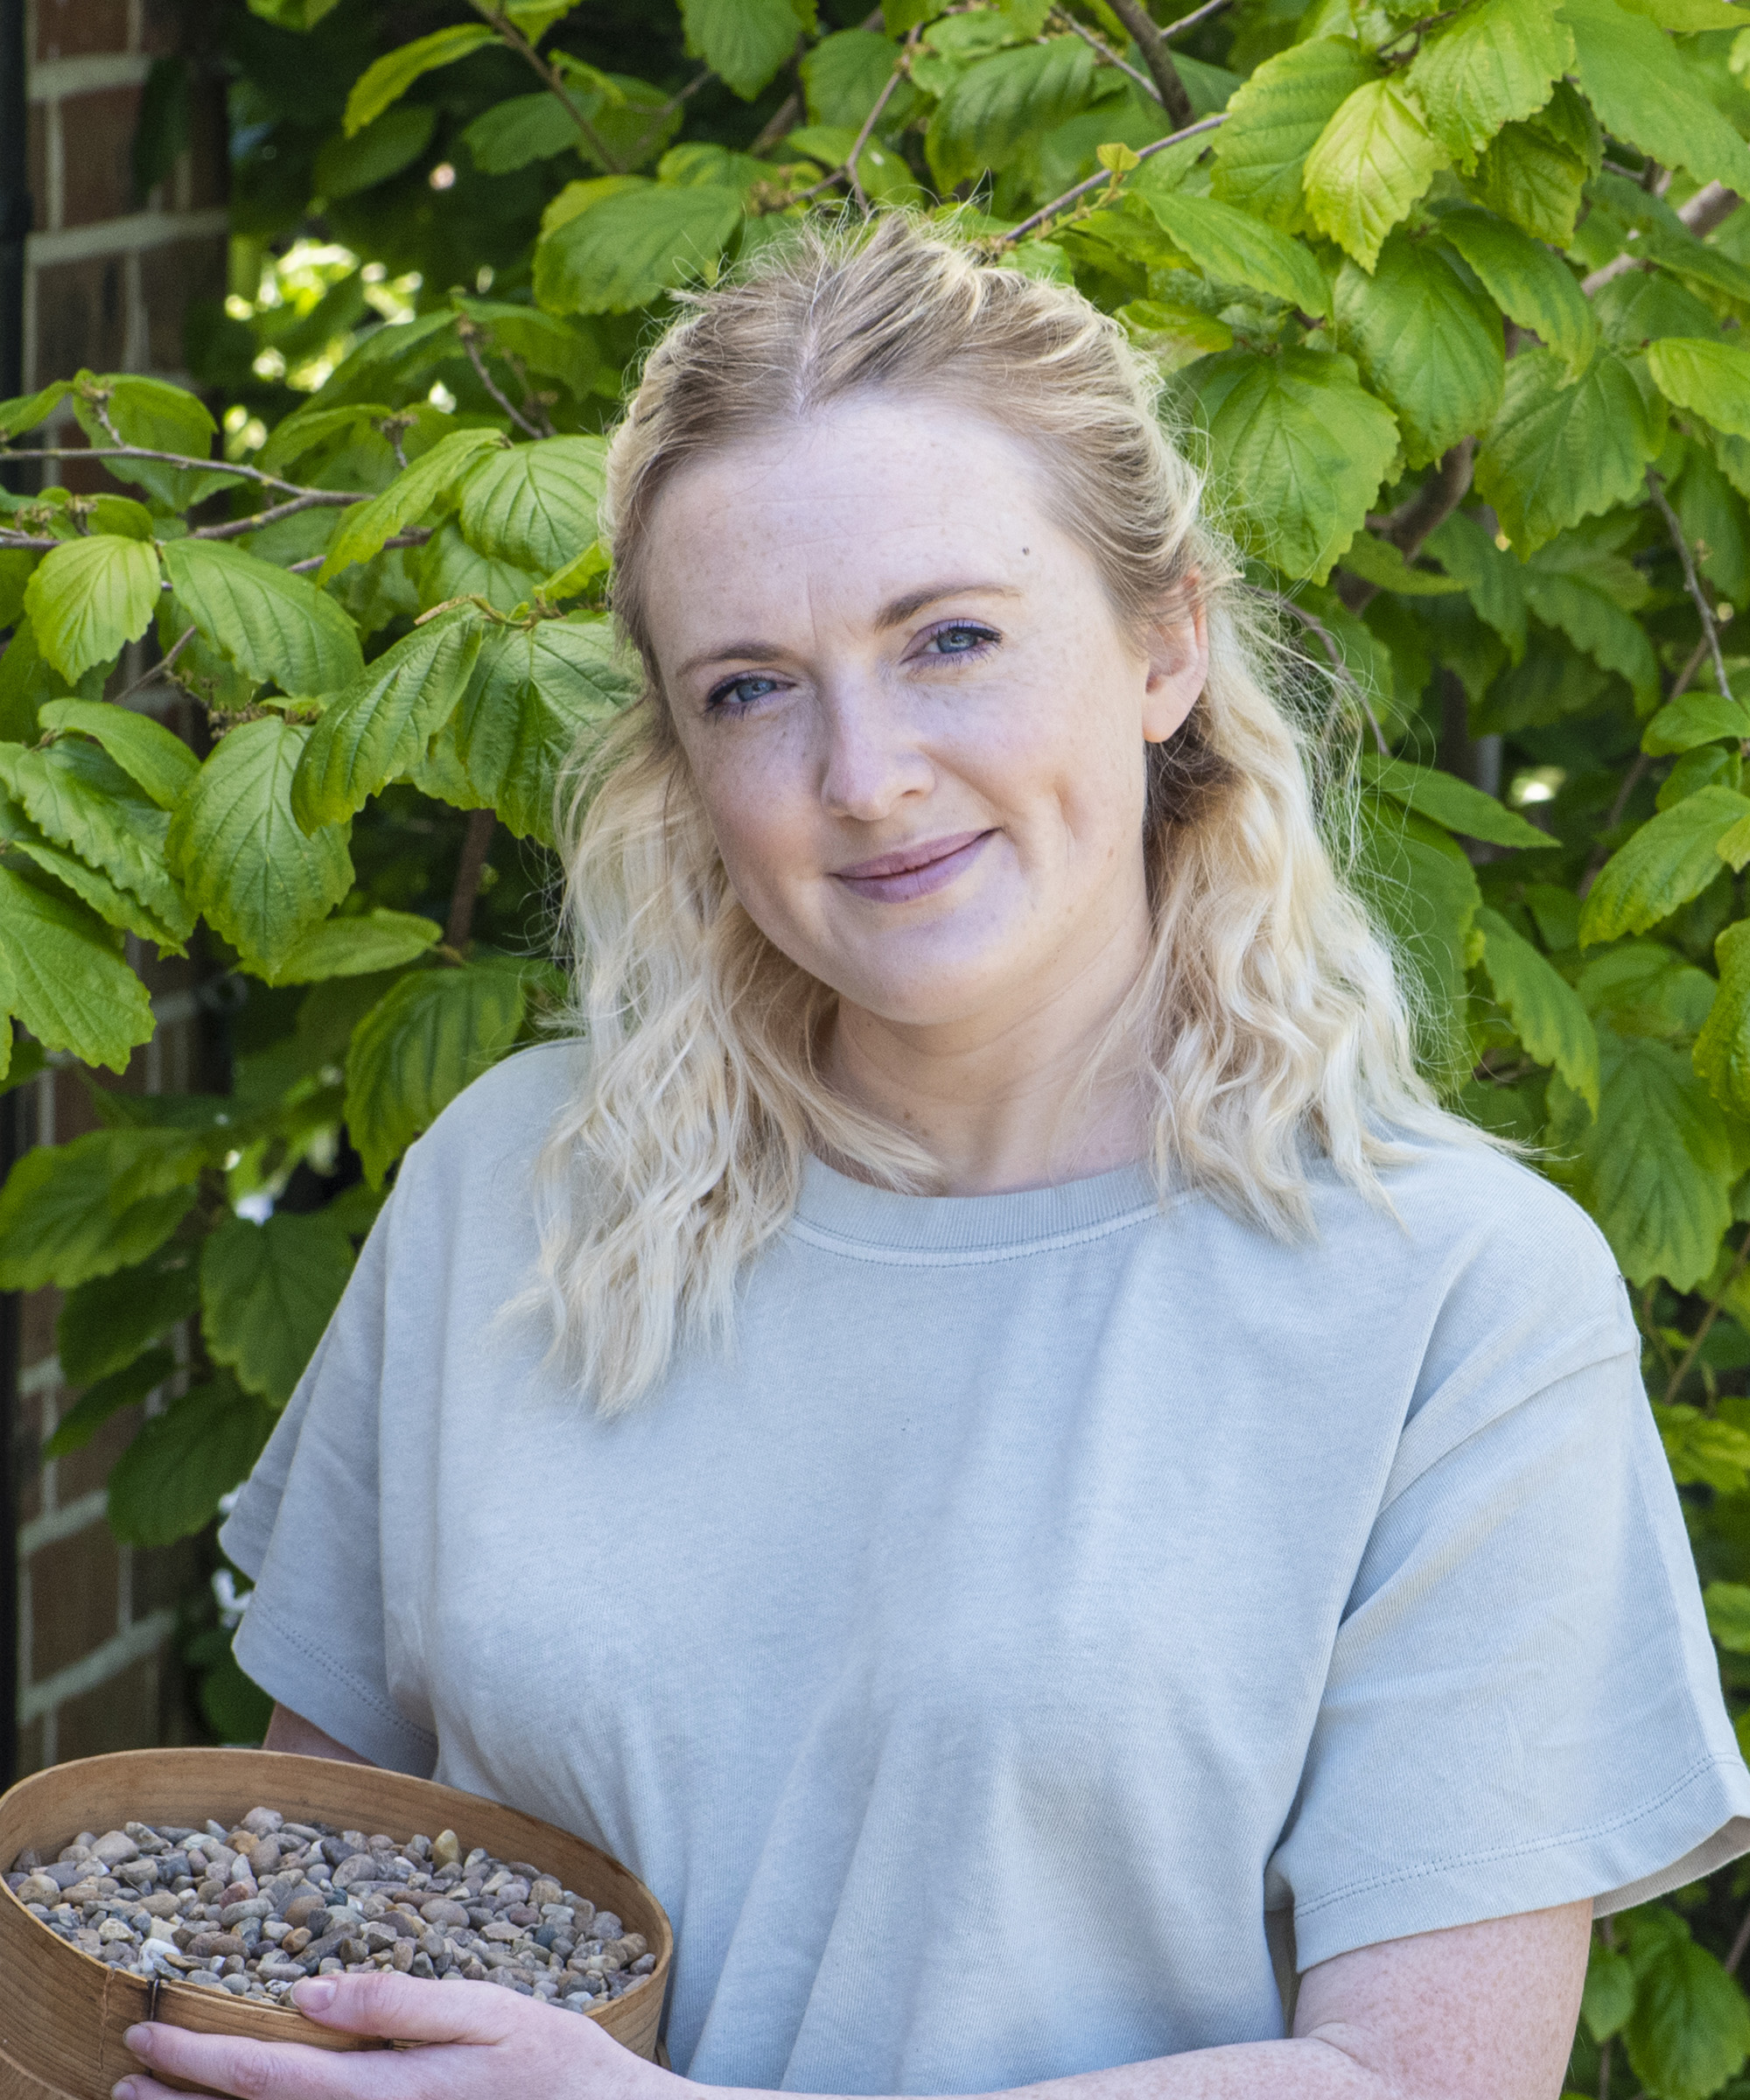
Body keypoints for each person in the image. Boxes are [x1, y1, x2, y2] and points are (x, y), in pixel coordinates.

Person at [116, 216, 1750, 2100]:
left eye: (949, 640)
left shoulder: (1451, 1294)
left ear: (1165, 647)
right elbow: (285, 1892)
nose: (865, 773)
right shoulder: (513, 1187)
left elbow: (1416, 2085)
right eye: (750, 687)